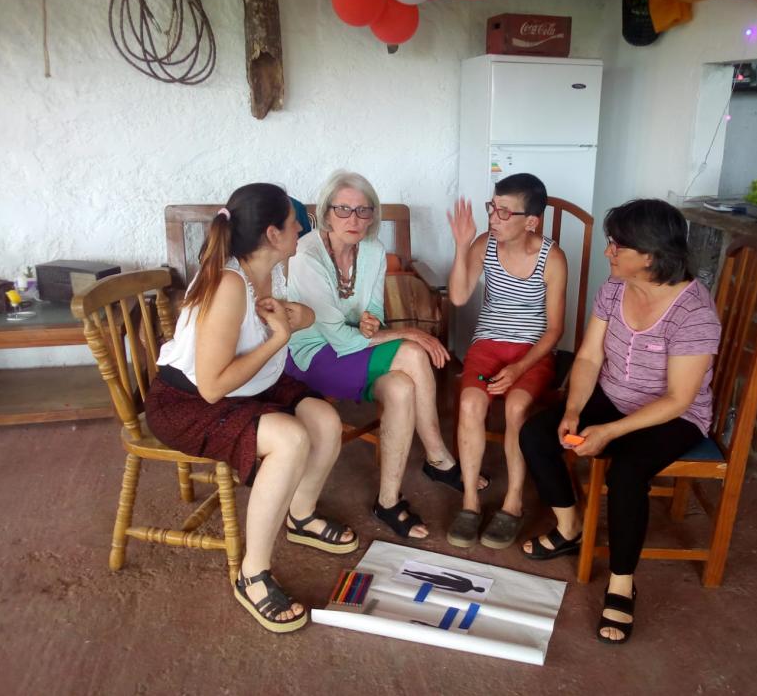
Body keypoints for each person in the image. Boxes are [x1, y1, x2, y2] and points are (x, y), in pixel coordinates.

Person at [145, 183, 357, 635]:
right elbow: (211, 387)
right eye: (294, 221)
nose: (301, 226)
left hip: (247, 387)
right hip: (187, 404)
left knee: (324, 419)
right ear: (273, 233)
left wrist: (299, 315)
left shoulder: (264, 272)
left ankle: (300, 516)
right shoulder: (228, 285)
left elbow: (286, 321)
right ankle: (252, 574)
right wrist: (281, 337)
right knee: (291, 438)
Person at [519, 199, 721, 645]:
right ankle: (569, 529)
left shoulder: (694, 313)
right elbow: (590, 356)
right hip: (613, 396)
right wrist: (574, 409)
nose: (609, 252)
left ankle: (622, 582)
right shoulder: (613, 289)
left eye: (617, 245)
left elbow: (678, 398)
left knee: (628, 472)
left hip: (674, 415)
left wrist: (609, 432)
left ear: (649, 256)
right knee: (538, 432)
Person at [285, 170, 487, 540]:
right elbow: (339, 340)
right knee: (412, 352)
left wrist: (368, 322)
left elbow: (374, 314)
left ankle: (389, 500)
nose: (354, 219)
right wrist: (407, 332)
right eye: (343, 209)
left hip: (354, 347)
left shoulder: (375, 251)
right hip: (313, 352)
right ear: (326, 213)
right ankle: (438, 457)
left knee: (400, 388)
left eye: (364, 211)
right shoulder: (305, 255)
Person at [444, 173, 567, 551]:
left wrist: (519, 368)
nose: (492, 218)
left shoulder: (552, 257)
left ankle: (513, 502)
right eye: (491, 208)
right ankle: (469, 501)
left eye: (502, 212)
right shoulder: (486, 245)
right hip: (488, 345)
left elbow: (554, 331)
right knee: (470, 402)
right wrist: (462, 247)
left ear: (531, 221)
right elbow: (460, 297)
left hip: (531, 351)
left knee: (516, 407)